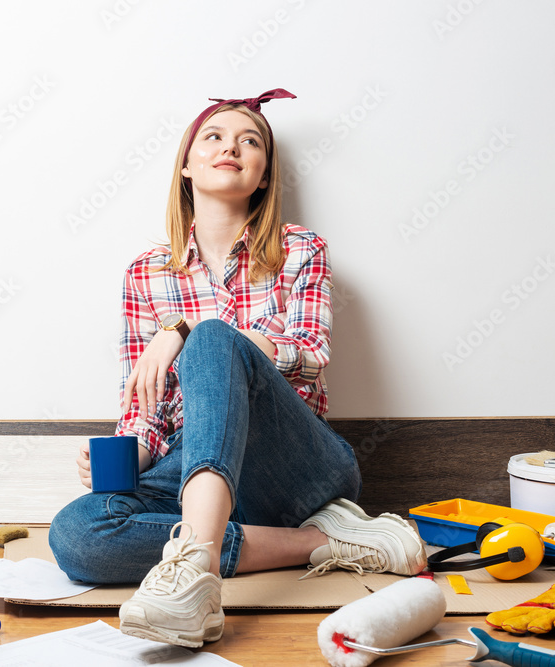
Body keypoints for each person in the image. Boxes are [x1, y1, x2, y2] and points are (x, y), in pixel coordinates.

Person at [48, 89, 427, 648]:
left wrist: (182, 333)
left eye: (250, 141)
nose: (232, 147)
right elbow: (143, 405)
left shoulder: (301, 249)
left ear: (265, 175)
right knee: (78, 533)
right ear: (186, 164)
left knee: (209, 339)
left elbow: (309, 351)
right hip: (196, 471)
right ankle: (329, 544)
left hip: (295, 467)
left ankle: (193, 576)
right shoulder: (145, 273)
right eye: (215, 137)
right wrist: (135, 453)